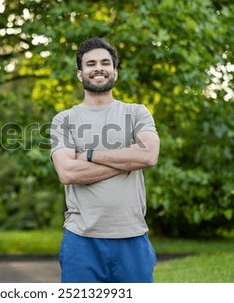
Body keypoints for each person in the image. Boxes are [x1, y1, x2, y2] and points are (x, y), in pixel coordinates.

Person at [50, 37, 160, 283]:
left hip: (132, 237)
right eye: (90, 64)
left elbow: (149, 155)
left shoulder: (136, 113)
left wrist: (90, 155)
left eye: (105, 62)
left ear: (115, 72)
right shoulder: (64, 120)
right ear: (80, 74)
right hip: (81, 240)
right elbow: (68, 173)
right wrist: (128, 160)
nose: (98, 67)